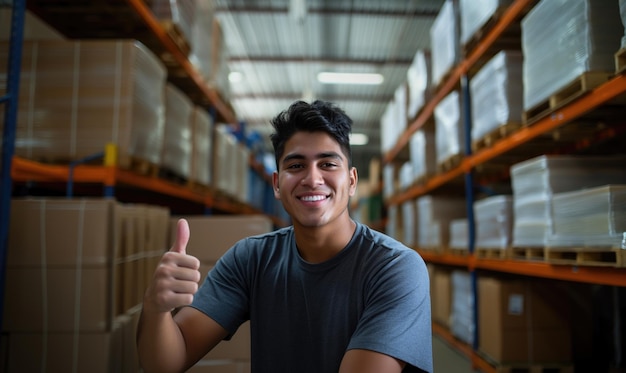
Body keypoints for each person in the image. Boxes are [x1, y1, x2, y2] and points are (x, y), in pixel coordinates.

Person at [137, 100, 433, 373]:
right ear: (277, 185)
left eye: (328, 164)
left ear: (351, 181)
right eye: (296, 165)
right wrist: (156, 308)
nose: (313, 178)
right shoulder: (250, 259)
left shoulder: (396, 268)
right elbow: (165, 363)